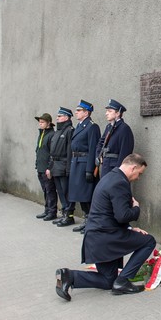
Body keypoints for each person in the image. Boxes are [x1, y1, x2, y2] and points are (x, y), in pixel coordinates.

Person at [55, 153, 156, 300]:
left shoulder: (110, 177)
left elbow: (111, 212)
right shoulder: (120, 183)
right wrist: (136, 208)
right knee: (149, 241)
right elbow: (122, 215)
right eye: (139, 174)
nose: (138, 178)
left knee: (108, 280)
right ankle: (122, 281)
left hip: (97, 238)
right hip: (107, 237)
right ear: (133, 168)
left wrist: (129, 228)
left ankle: (69, 276)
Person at [68, 99, 101, 234]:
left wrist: (89, 169)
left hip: (84, 163)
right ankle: (86, 219)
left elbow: (93, 148)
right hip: (76, 162)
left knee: (86, 194)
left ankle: (91, 222)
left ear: (86, 113)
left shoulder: (92, 126)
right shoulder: (80, 125)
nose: (76, 112)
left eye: (79, 110)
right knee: (79, 195)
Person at [46, 107, 75, 226]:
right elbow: (51, 152)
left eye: (60, 116)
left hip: (63, 166)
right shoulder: (58, 131)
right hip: (55, 166)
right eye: (57, 116)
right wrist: (50, 167)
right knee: (60, 192)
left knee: (67, 192)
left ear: (67, 117)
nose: (57, 118)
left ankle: (69, 216)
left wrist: (68, 169)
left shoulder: (69, 130)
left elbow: (69, 152)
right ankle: (64, 213)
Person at [95, 99, 134, 178]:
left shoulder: (124, 128)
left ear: (118, 113)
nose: (106, 113)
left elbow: (125, 152)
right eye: (107, 111)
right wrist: (98, 155)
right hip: (106, 164)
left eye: (109, 111)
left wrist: (119, 170)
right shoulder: (109, 127)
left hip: (115, 166)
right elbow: (101, 142)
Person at [34, 113, 58, 221]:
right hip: (40, 167)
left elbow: (52, 153)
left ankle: (52, 211)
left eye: (42, 122)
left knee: (50, 190)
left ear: (48, 123)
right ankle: (47, 209)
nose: (40, 124)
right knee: (45, 190)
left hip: (47, 169)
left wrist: (49, 168)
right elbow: (39, 151)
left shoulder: (51, 135)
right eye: (39, 122)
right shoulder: (41, 133)